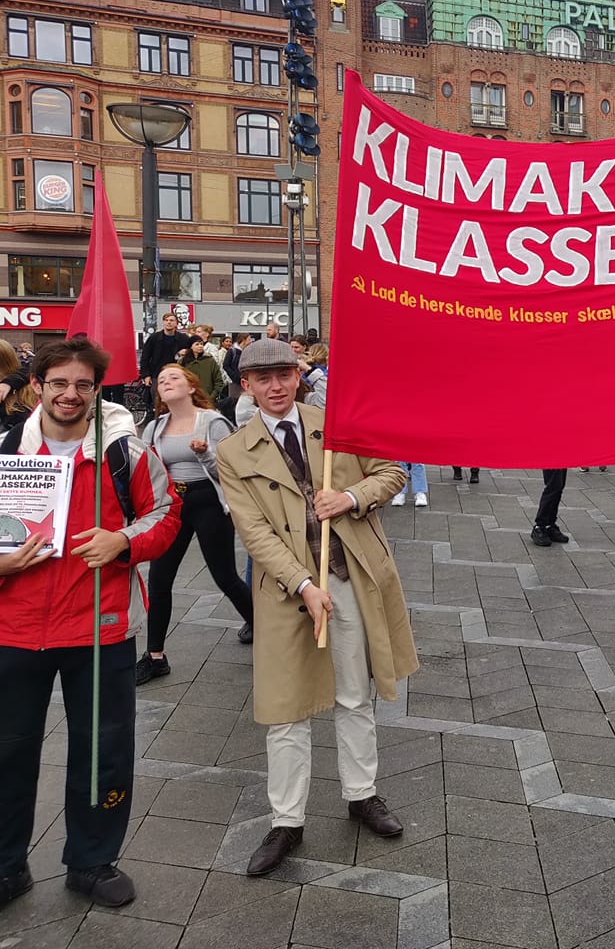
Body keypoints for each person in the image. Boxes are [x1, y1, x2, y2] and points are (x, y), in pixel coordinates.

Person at [216, 337, 417, 877]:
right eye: (263, 379)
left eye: (284, 374)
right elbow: (254, 532)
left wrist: (350, 498)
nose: (276, 386)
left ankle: (362, 794)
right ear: (247, 386)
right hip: (286, 592)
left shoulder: (338, 423)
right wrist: (304, 583)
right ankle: (286, 820)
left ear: (298, 376)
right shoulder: (234, 451)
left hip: (350, 576)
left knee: (354, 693)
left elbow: (392, 470)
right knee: (285, 709)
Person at [0, 337, 180, 909]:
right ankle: (6, 867)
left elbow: (167, 513)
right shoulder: (5, 450)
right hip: (14, 627)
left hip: (101, 628)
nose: (70, 394)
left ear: (96, 390)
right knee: (6, 752)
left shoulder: (124, 454)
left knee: (103, 750)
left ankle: (93, 861)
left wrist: (122, 540)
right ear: (38, 387)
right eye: (59, 383)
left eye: (82, 385)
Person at [136, 365, 254, 684]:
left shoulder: (212, 421)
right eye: (161, 381)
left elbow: (232, 470)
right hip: (173, 505)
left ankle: (261, 626)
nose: (166, 383)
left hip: (208, 501)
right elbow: (149, 474)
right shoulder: (154, 427)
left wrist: (205, 456)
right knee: (160, 578)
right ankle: (155, 656)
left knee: (224, 576)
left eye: (174, 377)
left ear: (191, 387)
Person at [138, 312, 187, 393]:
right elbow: (145, 357)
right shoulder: (154, 338)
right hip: (156, 374)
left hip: (176, 375)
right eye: (166, 320)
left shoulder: (183, 339)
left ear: (176, 323)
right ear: (163, 322)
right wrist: (146, 375)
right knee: (157, 400)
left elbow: (190, 356)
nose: (169, 322)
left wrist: (184, 353)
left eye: (171, 320)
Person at [180, 334, 227, 405]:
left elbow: (219, 382)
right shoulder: (183, 361)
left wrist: (212, 397)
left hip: (207, 400)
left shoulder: (210, 361)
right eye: (197, 344)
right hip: (188, 400)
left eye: (202, 344)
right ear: (191, 346)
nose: (200, 346)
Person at [531, 469, 570, 547]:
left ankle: (549, 525)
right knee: (553, 486)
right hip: (551, 457)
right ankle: (540, 526)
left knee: (559, 486)